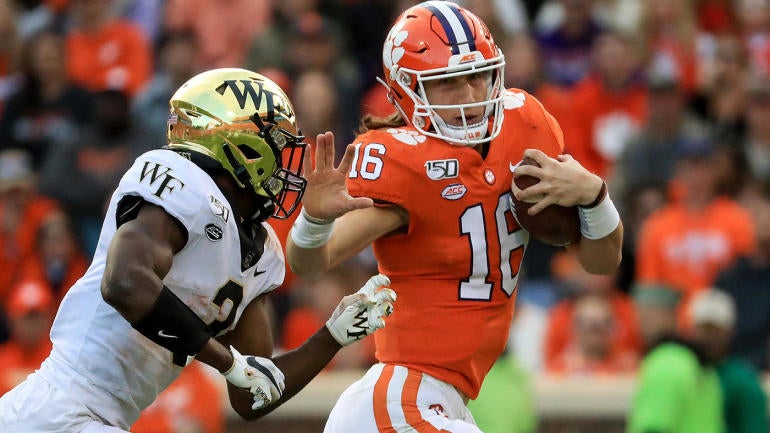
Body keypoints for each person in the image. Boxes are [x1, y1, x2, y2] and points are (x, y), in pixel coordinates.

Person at [286, 2, 623, 432]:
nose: (469, 96)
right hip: (403, 398)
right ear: (405, 92)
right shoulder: (404, 160)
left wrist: (596, 198)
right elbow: (310, 262)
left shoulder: (526, 124)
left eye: (478, 76)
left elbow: (601, 261)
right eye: (448, 83)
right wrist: (314, 221)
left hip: (442, 402)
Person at [0, 68, 397, 433]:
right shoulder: (178, 180)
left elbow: (252, 392)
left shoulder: (261, 252)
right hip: (58, 406)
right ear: (240, 145)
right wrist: (227, 362)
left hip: (100, 419)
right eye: (276, 147)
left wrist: (332, 335)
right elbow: (124, 284)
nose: (285, 165)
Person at [627, 284, 724, 433]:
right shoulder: (694, 361)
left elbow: (654, 427)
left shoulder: (666, 362)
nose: (640, 320)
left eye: (647, 313)